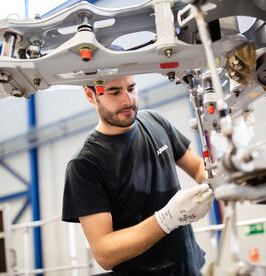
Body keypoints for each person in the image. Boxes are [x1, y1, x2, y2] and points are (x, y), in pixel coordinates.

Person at [62, 75, 214, 275]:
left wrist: (212, 181)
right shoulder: (84, 164)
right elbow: (104, 253)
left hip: (189, 267)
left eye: (131, 88)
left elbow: (197, 167)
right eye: (114, 92)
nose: (128, 100)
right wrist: (167, 219)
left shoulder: (155, 121)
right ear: (90, 95)